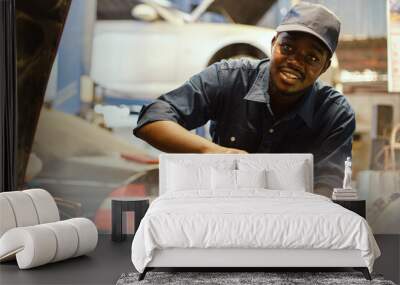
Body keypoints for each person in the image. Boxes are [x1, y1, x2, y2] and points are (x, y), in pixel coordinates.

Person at [133, 2, 355, 197]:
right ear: (274, 43)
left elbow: (329, 192)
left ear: (325, 66)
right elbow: (152, 120)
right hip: (224, 210)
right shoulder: (228, 78)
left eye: (312, 58)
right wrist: (213, 153)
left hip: (292, 225)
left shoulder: (335, 114)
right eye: (287, 48)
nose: (295, 62)